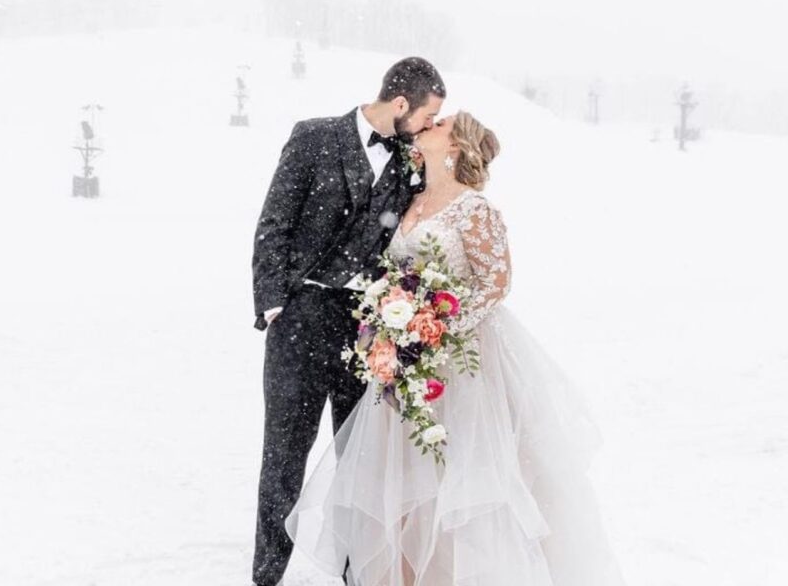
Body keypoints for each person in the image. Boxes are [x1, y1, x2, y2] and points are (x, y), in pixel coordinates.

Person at [285, 112, 628, 585]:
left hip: (464, 365)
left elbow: (496, 281)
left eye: (441, 123)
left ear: (455, 147)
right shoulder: (411, 201)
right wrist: (391, 328)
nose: (427, 123)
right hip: (407, 363)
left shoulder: (474, 209)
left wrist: (437, 330)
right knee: (402, 482)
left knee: (456, 479)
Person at [250, 57, 446, 586]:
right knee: (284, 457)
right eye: (428, 116)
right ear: (400, 104)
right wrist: (273, 305)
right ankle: (267, 576)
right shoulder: (314, 138)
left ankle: (358, 575)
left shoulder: (412, 161)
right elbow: (274, 222)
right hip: (300, 322)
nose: (429, 126)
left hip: (368, 330)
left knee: (361, 462)